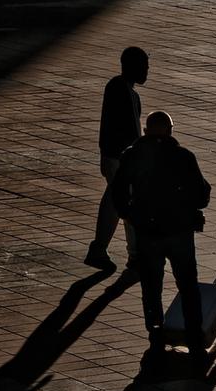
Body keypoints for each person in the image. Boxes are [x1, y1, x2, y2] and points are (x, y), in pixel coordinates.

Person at [113, 111, 211, 357]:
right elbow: (202, 195)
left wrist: (132, 215)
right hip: (179, 232)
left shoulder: (132, 156)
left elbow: (118, 193)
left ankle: (155, 333)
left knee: (151, 286)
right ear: (170, 130)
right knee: (188, 285)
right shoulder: (183, 156)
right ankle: (194, 337)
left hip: (148, 233)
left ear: (145, 131)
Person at [85, 47, 147, 271]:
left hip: (114, 157)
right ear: (132, 67)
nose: (147, 71)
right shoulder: (122, 91)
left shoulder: (120, 89)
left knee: (114, 202)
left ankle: (101, 249)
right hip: (118, 159)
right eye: (144, 66)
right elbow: (131, 132)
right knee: (124, 204)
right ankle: (132, 254)